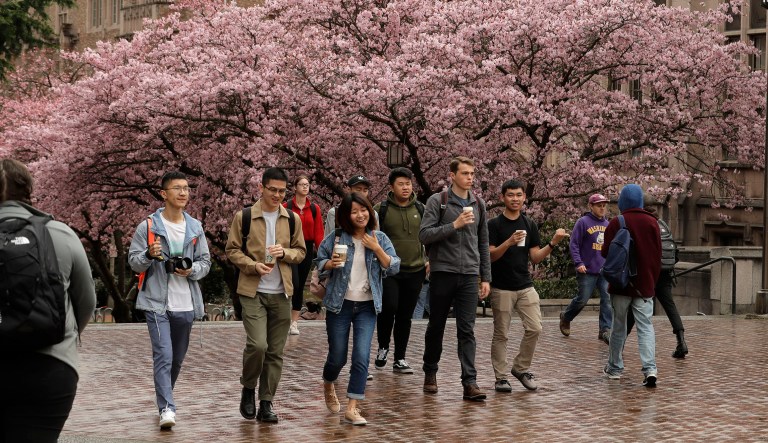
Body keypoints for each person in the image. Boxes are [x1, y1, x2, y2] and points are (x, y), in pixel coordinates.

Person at [0, 159, 97, 443]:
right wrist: (63, 337)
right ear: (29, 190)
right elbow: (86, 302)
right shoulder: (60, 233)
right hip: (50, 368)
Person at [128, 171, 211, 429]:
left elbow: (205, 262)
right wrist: (149, 255)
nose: (183, 193)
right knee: (164, 355)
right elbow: (133, 262)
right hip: (156, 302)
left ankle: (166, 397)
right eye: (177, 188)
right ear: (164, 194)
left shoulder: (195, 227)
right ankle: (167, 408)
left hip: (186, 302)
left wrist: (191, 271)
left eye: (186, 188)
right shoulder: (149, 227)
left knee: (176, 359)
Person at [225, 167, 306, 423]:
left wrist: (285, 253)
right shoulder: (245, 216)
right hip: (253, 291)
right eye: (273, 190)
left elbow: (301, 252)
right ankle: (248, 388)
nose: (277, 195)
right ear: (261, 188)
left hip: (282, 293)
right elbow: (232, 250)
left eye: (282, 191)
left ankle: (267, 402)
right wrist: (252, 265)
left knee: (275, 351)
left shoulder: (292, 219)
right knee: (258, 345)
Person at [316, 192, 400, 425]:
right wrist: (330, 263)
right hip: (338, 305)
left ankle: (353, 407)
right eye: (354, 211)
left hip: (367, 306)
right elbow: (320, 261)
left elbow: (394, 267)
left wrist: (376, 248)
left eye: (364, 210)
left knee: (362, 356)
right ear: (346, 215)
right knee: (338, 357)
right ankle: (328, 381)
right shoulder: (336, 237)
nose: (360, 215)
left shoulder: (379, 238)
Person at [419, 156, 491, 401]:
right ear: (452, 175)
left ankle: (470, 382)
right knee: (436, 325)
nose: (470, 177)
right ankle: (430, 372)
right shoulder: (438, 201)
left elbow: (483, 243)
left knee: (467, 330)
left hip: (470, 274)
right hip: (443, 272)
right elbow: (425, 235)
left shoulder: (479, 204)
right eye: (465, 173)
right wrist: (454, 224)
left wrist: (485, 277)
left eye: (472, 173)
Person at [488, 179, 568, 392]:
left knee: (535, 327)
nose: (515, 199)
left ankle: (520, 368)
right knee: (501, 334)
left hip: (525, 285)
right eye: (510, 195)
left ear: (525, 197)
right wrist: (509, 243)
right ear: (502, 198)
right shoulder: (494, 225)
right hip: (501, 287)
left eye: (518, 195)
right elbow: (490, 256)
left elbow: (535, 258)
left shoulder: (529, 224)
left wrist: (553, 243)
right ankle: (501, 377)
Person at [601, 184, 661, 387]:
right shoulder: (652, 222)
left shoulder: (617, 222)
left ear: (622, 202)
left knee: (618, 327)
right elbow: (657, 255)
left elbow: (605, 253)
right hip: (644, 285)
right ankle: (650, 369)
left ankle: (615, 368)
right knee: (646, 327)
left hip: (620, 285)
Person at [372, 167, 427, 374]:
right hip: (390, 270)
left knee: (405, 315)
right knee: (388, 308)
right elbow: (375, 237)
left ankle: (400, 358)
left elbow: (427, 236)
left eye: (408, 183)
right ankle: (383, 347)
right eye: (401, 184)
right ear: (391, 187)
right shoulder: (381, 209)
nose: (405, 188)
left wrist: (427, 260)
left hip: (416, 269)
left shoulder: (420, 209)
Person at [625, 208, 688, 359]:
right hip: (666, 272)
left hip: (649, 273)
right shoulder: (663, 225)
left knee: (637, 305)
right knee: (669, 306)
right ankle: (682, 341)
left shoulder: (646, 225)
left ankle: (619, 342)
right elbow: (675, 252)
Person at [559, 194, 612, 344]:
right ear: (591, 206)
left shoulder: (608, 225)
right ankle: (566, 317)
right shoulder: (583, 222)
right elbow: (574, 244)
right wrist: (578, 263)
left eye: (604, 205)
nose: (602, 208)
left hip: (604, 270)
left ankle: (605, 329)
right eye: (598, 205)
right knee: (582, 299)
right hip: (586, 269)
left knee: (607, 299)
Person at [284, 175, 324, 335]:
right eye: (301, 184)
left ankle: (294, 322)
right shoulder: (286, 206)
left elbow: (319, 233)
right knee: (291, 282)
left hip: (306, 248)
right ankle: (284, 319)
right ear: (295, 187)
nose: (305, 187)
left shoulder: (314, 209)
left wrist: (322, 253)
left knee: (299, 285)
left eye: (307, 185)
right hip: (289, 247)